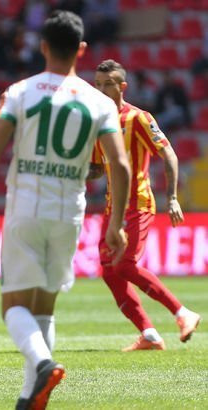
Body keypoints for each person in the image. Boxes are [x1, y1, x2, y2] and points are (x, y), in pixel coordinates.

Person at [0, 11, 131, 409]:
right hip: (70, 211)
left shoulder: (20, 92)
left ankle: (43, 364)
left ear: (42, 46)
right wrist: (117, 224)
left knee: (13, 306)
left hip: (26, 206)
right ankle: (30, 397)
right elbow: (120, 165)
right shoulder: (99, 101)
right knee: (45, 307)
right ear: (81, 49)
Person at [90, 59, 201, 352]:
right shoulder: (97, 123)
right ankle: (149, 334)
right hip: (112, 207)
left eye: (108, 84)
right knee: (109, 271)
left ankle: (182, 313)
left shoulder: (138, 118)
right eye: (98, 84)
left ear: (122, 87)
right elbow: (98, 168)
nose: (102, 90)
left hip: (137, 203)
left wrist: (172, 197)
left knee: (125, 265)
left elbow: (169, 154)